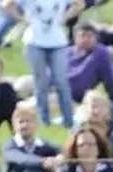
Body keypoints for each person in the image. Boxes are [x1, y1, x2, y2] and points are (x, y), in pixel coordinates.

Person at [13, 0, 75, 129]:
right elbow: (7, 4)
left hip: (58, 42)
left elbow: (79, 4)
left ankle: (68, 119)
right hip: (34, 42)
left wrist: (64, 17)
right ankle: (44, 119)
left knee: (61, 81)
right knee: (40, 82)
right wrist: (22, 20)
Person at [2, 99, 59, 172]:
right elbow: (22, 159)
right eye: (21, 122)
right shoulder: (10, 145)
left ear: (35, 125)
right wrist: (44, 162)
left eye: (28, 121)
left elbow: (62, 152)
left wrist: (59, 159)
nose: (25, 125)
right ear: (14, 126)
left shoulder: (44, 144)